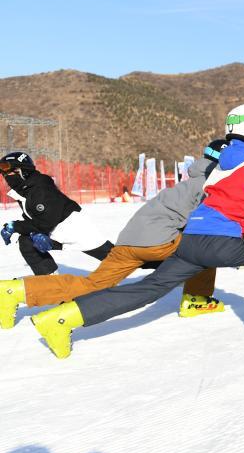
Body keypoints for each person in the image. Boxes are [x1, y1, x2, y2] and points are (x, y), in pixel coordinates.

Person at [30, 104, 244, 359]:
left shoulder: (222, 162)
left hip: (190, 240)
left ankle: (62, 318)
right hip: (222, 241)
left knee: (148, 288)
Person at [0, 141, 229, 329]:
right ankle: (195, 298)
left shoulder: (37, 188)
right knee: (201, 249)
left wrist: (23, 228)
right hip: (149, 239)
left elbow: (47, 219)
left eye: (9, 171)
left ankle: (18, 291)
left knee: (103, 273)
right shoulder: (211, 183)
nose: (6, 176)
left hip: (102, 233)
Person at [1, 152, 113, 275]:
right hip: (56, 230)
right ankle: (50, 281)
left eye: (10, 172)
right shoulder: (25, 190)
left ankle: (137, 261)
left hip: (75, 229)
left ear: (24, 171)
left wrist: (15, 226)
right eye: (4, 174)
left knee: (113, 257)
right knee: (27, 242)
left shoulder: (40, 188)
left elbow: (45, 223)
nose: (7, 177)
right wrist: (18, 227)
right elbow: (35, 218)